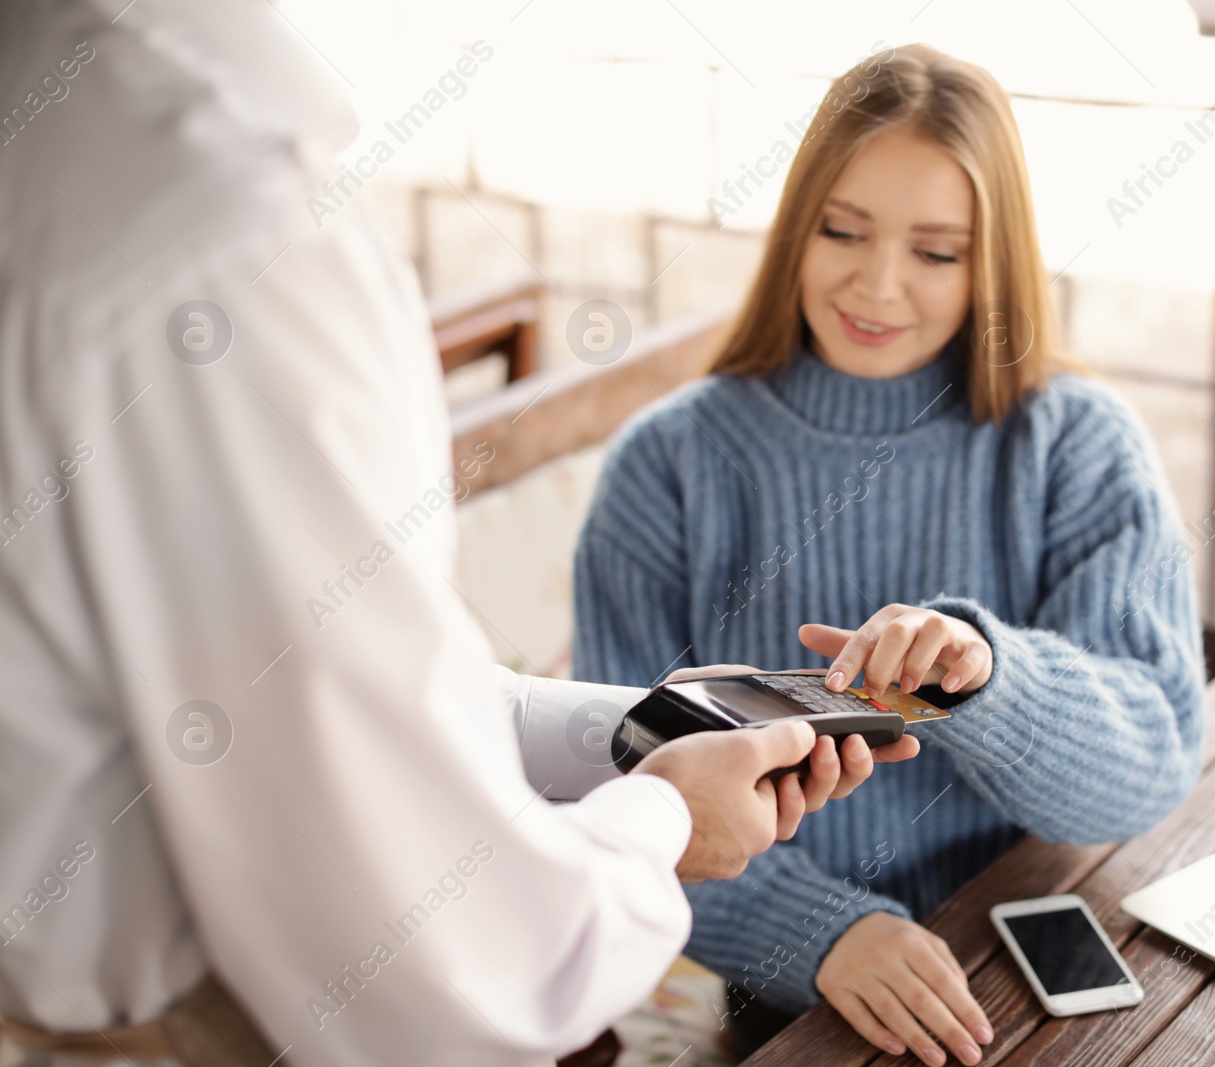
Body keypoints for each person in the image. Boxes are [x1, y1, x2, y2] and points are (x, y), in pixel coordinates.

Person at [0, 3, 913, 1066]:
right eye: (845, 230)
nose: (883, 280)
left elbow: (323, 699)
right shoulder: (218, 225)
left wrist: (646, 726)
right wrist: (663, 819)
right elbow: (448, 967)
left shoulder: (76, 100)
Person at [573, 43, 1207, 1067]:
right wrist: (822, 933)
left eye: (936, 251)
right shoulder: (669, 463)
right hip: (793, 998)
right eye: (842, 231)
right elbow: (618, 787)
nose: (877, 284)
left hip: (1031, 971)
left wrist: (983, 677)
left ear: (991, 258)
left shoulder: (1078, 442)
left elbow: (1151, 764)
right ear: (796, 229)